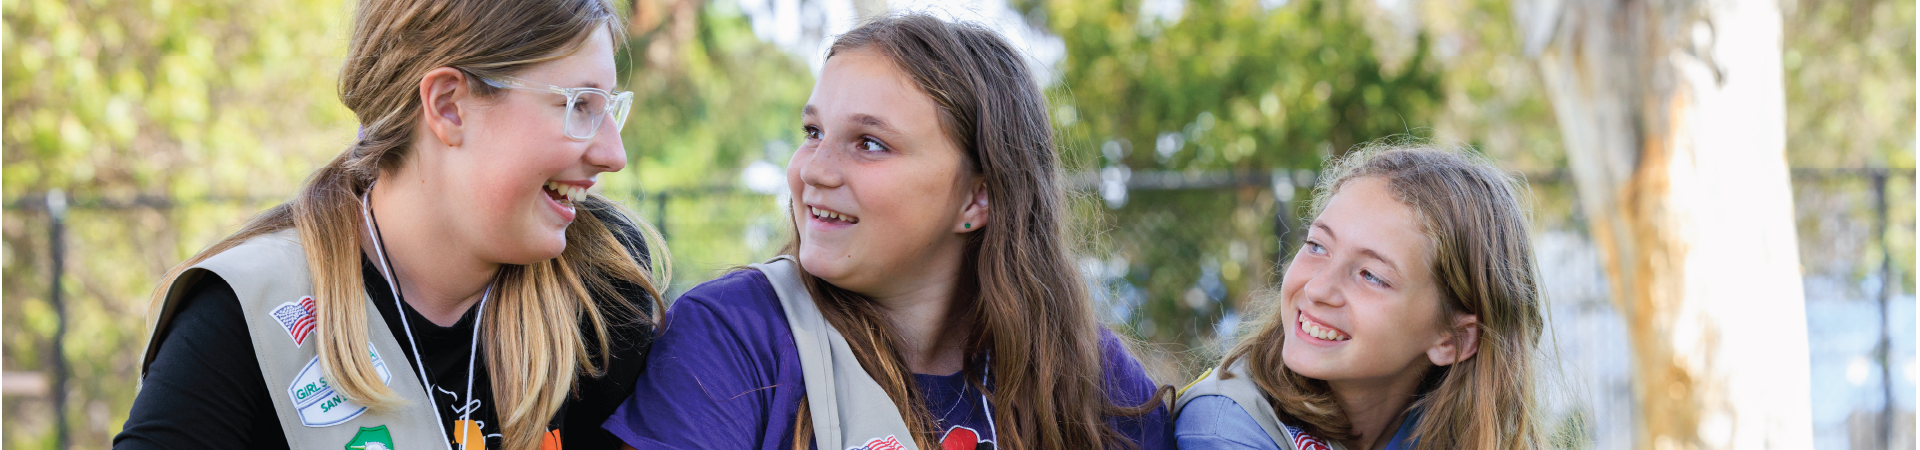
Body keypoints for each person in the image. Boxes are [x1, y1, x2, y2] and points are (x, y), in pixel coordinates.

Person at [602, 13, 1173, 450]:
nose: (813, 170)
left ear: (979, 197)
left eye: (869, 144)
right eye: (812, 131)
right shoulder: (735, 335)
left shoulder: (1075, 369)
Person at [114, 0, 666, 448]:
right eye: (579, 107)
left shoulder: (600, 287)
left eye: (609, 108)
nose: (612, 154)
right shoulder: (252, 312)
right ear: (449, 105)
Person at [1174, 143, 1550, 450]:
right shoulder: (1224, 427)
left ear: (1454, 339)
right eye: (1317, 246)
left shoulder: (1459, 429)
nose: (1318, 288)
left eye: (1371, 275)